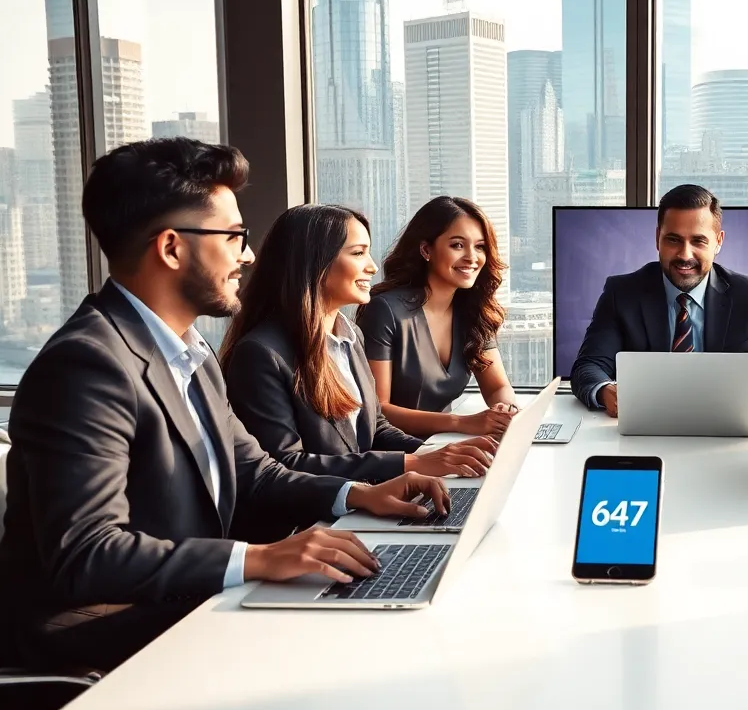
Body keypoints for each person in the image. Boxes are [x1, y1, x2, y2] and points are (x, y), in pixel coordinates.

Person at [0, 138, 451, 674]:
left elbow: (254, 473)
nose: (249, 254)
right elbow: (90, 553)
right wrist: (257, 559)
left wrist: (362, 493)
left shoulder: (191, 351)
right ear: (171, 248)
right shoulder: (85, 366)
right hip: (98, 633)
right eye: (234, 236)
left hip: (184, 603)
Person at [219, 204, 497, 490]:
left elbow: (376, 429)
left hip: (366, 501)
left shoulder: (350, 335)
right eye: (358, 253)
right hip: (311, 524)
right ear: (315, 262)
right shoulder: (261, 354)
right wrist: (410, 463)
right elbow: (285, 464)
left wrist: (439, 456)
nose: (372, 266)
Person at [570, 184, 748, 416]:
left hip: (725, 429)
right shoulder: (622, 292)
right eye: (673, 240)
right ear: (657, 237)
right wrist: (605, 391)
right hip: (646, 427)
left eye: (699, 241)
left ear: (718, 242)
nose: (685, 255)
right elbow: (588, 366)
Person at [355, 196, 516, 439]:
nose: (472, 257)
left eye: (480, 246)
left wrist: (505, 411)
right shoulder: (385, 310)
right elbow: (379, 411)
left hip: (445, 443)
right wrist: (463, 423)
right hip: (397, 454)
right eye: (458, 245)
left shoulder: (474, 311)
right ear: (426, 249)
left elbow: (498, 386)